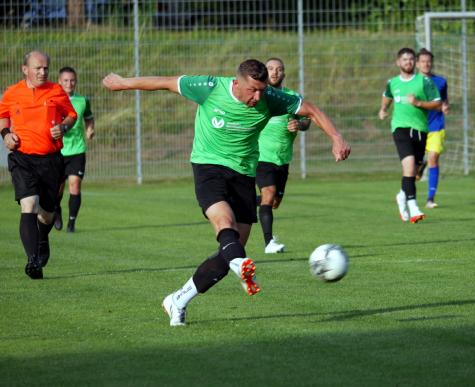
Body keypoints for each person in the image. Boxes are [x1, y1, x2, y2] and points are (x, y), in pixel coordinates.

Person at [102, 59, 350, 326]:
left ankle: (178, 300)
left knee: (233, 248)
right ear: (237, 83)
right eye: (252, 90)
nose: (257, 97)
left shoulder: (270, 98)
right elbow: (164, 82)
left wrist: (336, 138)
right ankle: (238, 264)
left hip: (243, 173)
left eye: (261, 90)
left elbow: (310, 109)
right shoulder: (209, 87)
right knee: (225, 223)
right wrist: (123, 83)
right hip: (209, 167)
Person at [0, 50, 78, 279]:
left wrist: (62, 127)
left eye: (45, 68)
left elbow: (71, 116)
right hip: (22, 158)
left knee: (46, 214)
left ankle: (42, 239)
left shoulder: (56, 91)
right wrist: (5, 134)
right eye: (38, 68)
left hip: (50, 160)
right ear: (25, 69)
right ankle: (33, 260)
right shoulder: (12, 93)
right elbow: (3, 115)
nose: (43, 72)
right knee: (29, 205)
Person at [378, 47, 441, 224]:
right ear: (398, 62)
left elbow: (437, 104)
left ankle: (402, 196)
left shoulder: (424, 82)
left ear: (415, 62)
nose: (408, 62)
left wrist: (419, 102)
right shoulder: (393, 82)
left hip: (421, 130)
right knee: (409, 166)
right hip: (400, 128)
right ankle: (413, 206)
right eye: (405, 60)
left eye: (411, 59)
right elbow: (387, 96)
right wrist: (383, 109)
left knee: (414, 171)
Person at [257, 57, 311, 254]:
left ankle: (240, 201)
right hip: (261, 156)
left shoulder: (291, 97)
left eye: (279, 69)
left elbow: (307, 120)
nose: (274, 72)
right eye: (270, 69)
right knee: (269, 194)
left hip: (283, 158)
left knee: (274, 202)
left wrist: (299, 125)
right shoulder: (259, 95)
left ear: (284, 74)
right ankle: (269, 242)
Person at [54, 66, 95, 233]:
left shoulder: (82, 100)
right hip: (57, 151)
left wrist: (90, 129)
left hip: (77, 150)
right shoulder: (53, 100)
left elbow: (89, 117)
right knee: (58, 188)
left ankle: (72, 223)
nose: (69, 83)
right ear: (59, 82)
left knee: (75, 185)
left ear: (76, 81)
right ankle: (56, 210)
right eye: (65, 80)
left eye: (72, 80)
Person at [416, 48, 449, 209]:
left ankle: (430, 198)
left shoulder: (441, 82)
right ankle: (419, 167)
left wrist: (445, 107)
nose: (426, 64)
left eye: (429, 61)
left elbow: (444, 101)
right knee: (414, 167)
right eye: (423, 61)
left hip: (436, 126)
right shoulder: (412, 82)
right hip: (417, 127)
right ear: (417, 64)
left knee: (434, 158)